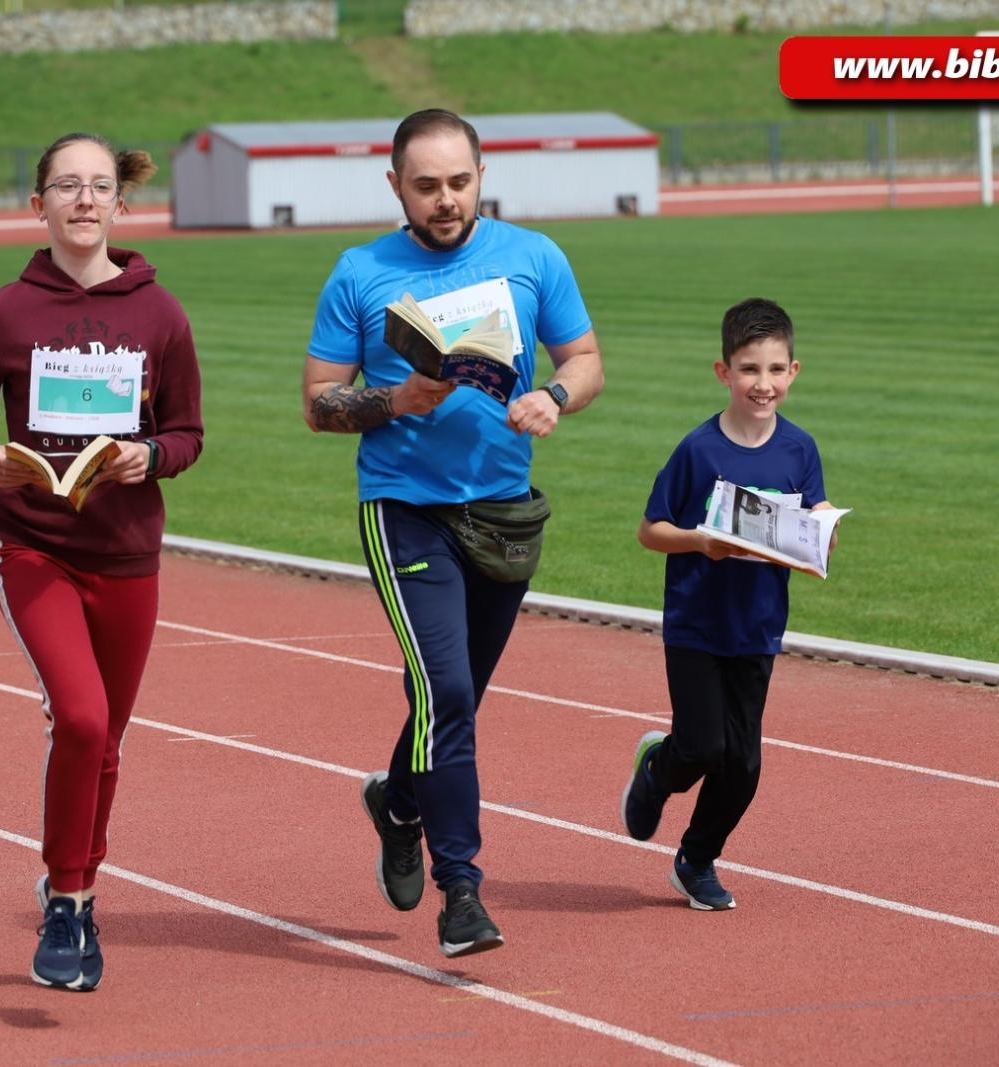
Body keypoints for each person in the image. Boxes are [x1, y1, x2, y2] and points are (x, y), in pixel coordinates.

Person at [302, 108, 604, 958]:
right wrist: (394, 399)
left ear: (482, 176)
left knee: (451, 696)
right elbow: (319, 403)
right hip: (404, 508)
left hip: (503, 511)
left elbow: (585, 360)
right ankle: (462, 891)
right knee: (449, 693)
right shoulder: (361, 272)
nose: (446, 200)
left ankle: (399, 803)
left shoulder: (534, 257)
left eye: (460, 182)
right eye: (427, 185)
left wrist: (556, 396)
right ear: (395, 186)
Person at [0, 131, 204, 989]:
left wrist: (148, 456)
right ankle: (63, 898)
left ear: (120, 204)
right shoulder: (3, 314)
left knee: (107, 738)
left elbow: (188, 433)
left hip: (127, 551)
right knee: (80, 718)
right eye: (66, 186)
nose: (84, 199)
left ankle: (82, 894)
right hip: (34, 545)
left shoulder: (161, 315)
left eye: (98, 186)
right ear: (39, 204)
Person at [622, 297, 837, 910]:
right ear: (724, 372)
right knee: (701, 747)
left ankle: (695, 860)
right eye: (749, 370)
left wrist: (824, 526)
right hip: (696, 622)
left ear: (794, 371)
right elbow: (650, 531)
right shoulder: (699, 450)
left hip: (758, 627)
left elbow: (812, 516)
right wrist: (701, 542)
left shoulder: (799, 450)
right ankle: (658, 769)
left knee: (743, 766)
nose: (763, 384)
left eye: (775, 370)